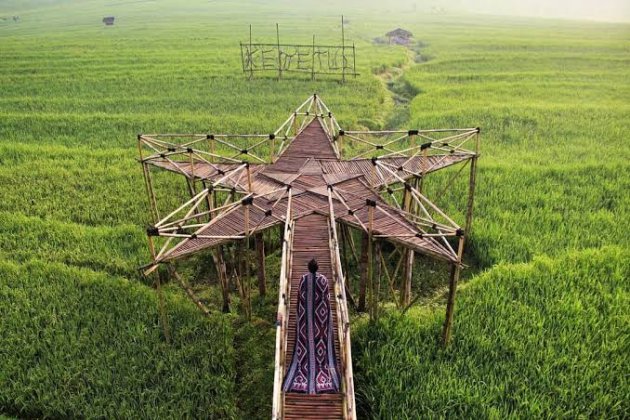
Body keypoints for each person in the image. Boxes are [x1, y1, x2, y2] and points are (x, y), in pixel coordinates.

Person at [282, 258, 340, 394]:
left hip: (306, 318)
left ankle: (302, 374)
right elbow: (326, 299)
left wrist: (301, 314)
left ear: (308, 268)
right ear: (317, 268)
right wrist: (326, 316)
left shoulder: (302, 280)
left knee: (304, 341)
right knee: (322, 341)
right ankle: (323, 372)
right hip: (320, 317)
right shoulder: (324, 280)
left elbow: (300, 299)